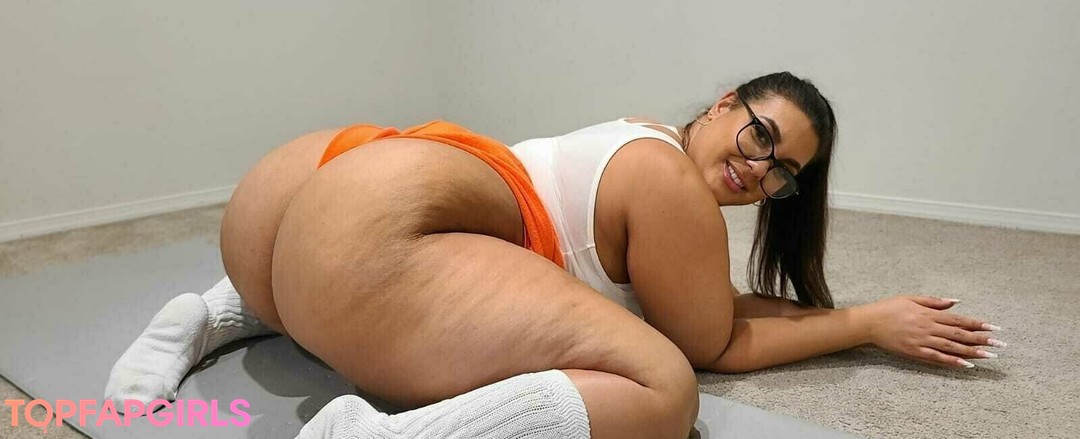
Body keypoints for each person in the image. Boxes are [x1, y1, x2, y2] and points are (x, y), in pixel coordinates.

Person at [104, 72, 1005, 439]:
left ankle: (210, 313)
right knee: (664, 390)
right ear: (726, 103)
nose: (758, 169)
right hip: (377, 225)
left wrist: (845, 317)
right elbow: (713, 341)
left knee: (327, 292)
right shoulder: (673, 187)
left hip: (300, 197)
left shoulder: (639, 135)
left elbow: (715, 304)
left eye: (783, 173)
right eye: (761, 135)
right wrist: (865, 322)